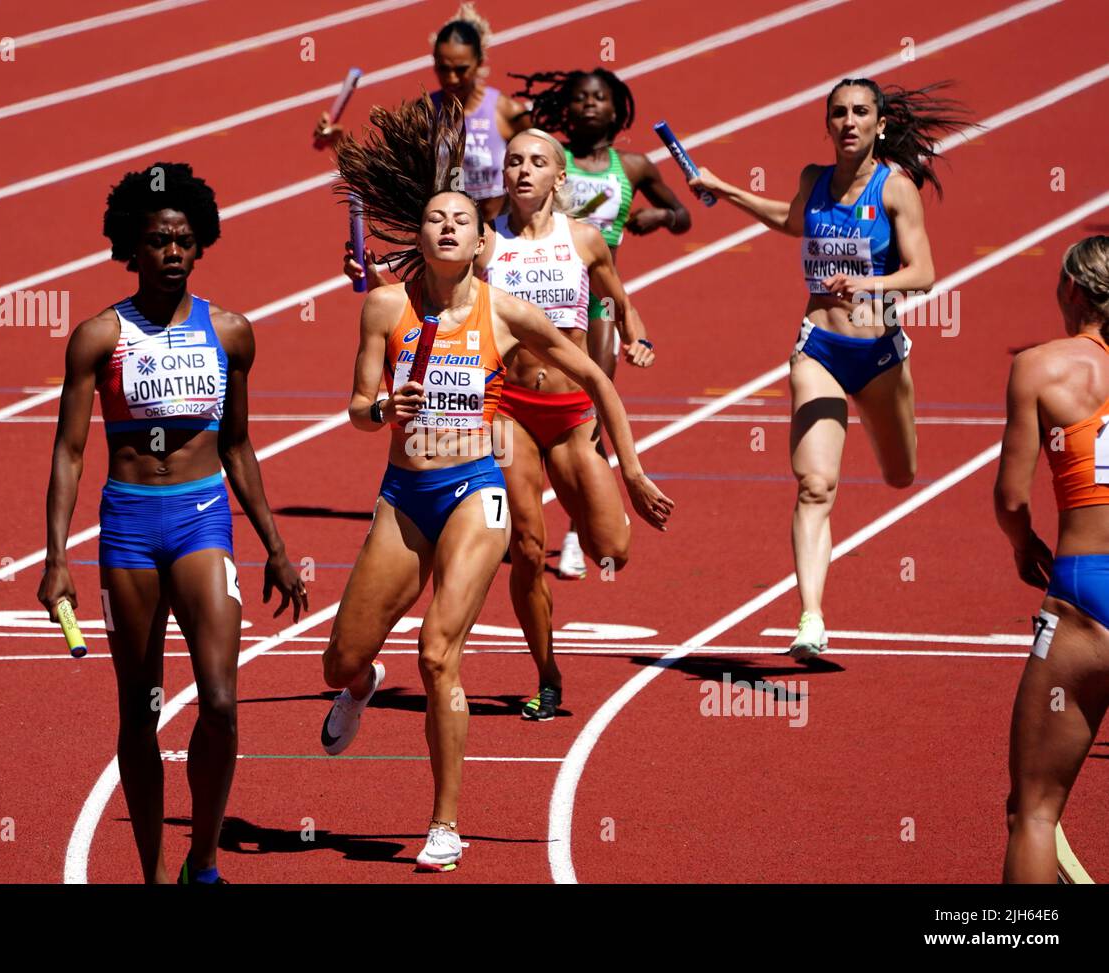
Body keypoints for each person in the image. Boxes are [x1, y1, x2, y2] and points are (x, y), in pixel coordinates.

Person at [324, 96, 671, 869]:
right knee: (339, 660)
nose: (447, 226)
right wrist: (384, 406)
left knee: (439, 650)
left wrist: (635, 468)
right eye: (434, 218)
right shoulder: (386, 306)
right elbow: (354, 408)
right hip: (403, 494)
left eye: (460, 218)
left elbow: (597, 378)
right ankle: (361, 682)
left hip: (474, 486)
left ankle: (446, 821)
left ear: (482, 241)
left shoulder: (506, 311)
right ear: (418, 236)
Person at [38, 161, 307, 884]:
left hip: (201, 520)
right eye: (158, 241)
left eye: (185, 240)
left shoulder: (231, 332)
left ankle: (204, 859)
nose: (173, 253)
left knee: (219, 702)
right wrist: (57, 556)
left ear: (202, 244)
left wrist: (276, 546)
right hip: (128, 527)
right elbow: (68, 451)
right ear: (134, 248)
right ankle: (155, 871)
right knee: (139, 711)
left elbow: (239, 443)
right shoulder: (98, 337)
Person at [687, 78, 970, 661]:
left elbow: (924, 274)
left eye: (860, 113)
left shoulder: (896, 190)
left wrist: (868, 283)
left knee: (900, 475)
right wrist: (723, 188)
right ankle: (810, 617)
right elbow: (791, 221)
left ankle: (885, 442)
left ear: (880, 124)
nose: (848, 122)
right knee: (815, 486)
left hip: (880, 354)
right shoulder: (813, 182)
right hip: (819, 349)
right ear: (827, 124)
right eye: (838, 113)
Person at [511, 66, 692, 576]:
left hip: (597, 296)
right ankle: (518, 510)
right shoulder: (550, 156)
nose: (590, 105)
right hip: (539, 290)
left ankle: (577, 524)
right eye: (581, 98)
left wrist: (660, 218)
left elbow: (684, 215)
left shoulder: (631, 165)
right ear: (566, 109)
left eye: (600, 98)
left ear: (617, 110)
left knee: (593, 394)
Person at [994, 236, 1109, 883]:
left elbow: (1011, 497)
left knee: (1034, 812)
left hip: (1085, 594)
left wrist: (1023, 545)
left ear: (1073, 290)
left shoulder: (1040, 366)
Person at [313, 3, 530, 221]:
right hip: (448, 241)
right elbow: (381, 173)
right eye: (443, 68)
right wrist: (338, 142)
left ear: (479, 62)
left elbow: (541, 169)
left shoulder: (507, 112)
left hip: (499, 238)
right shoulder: (421, 114)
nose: (451, 78)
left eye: (461, 69)